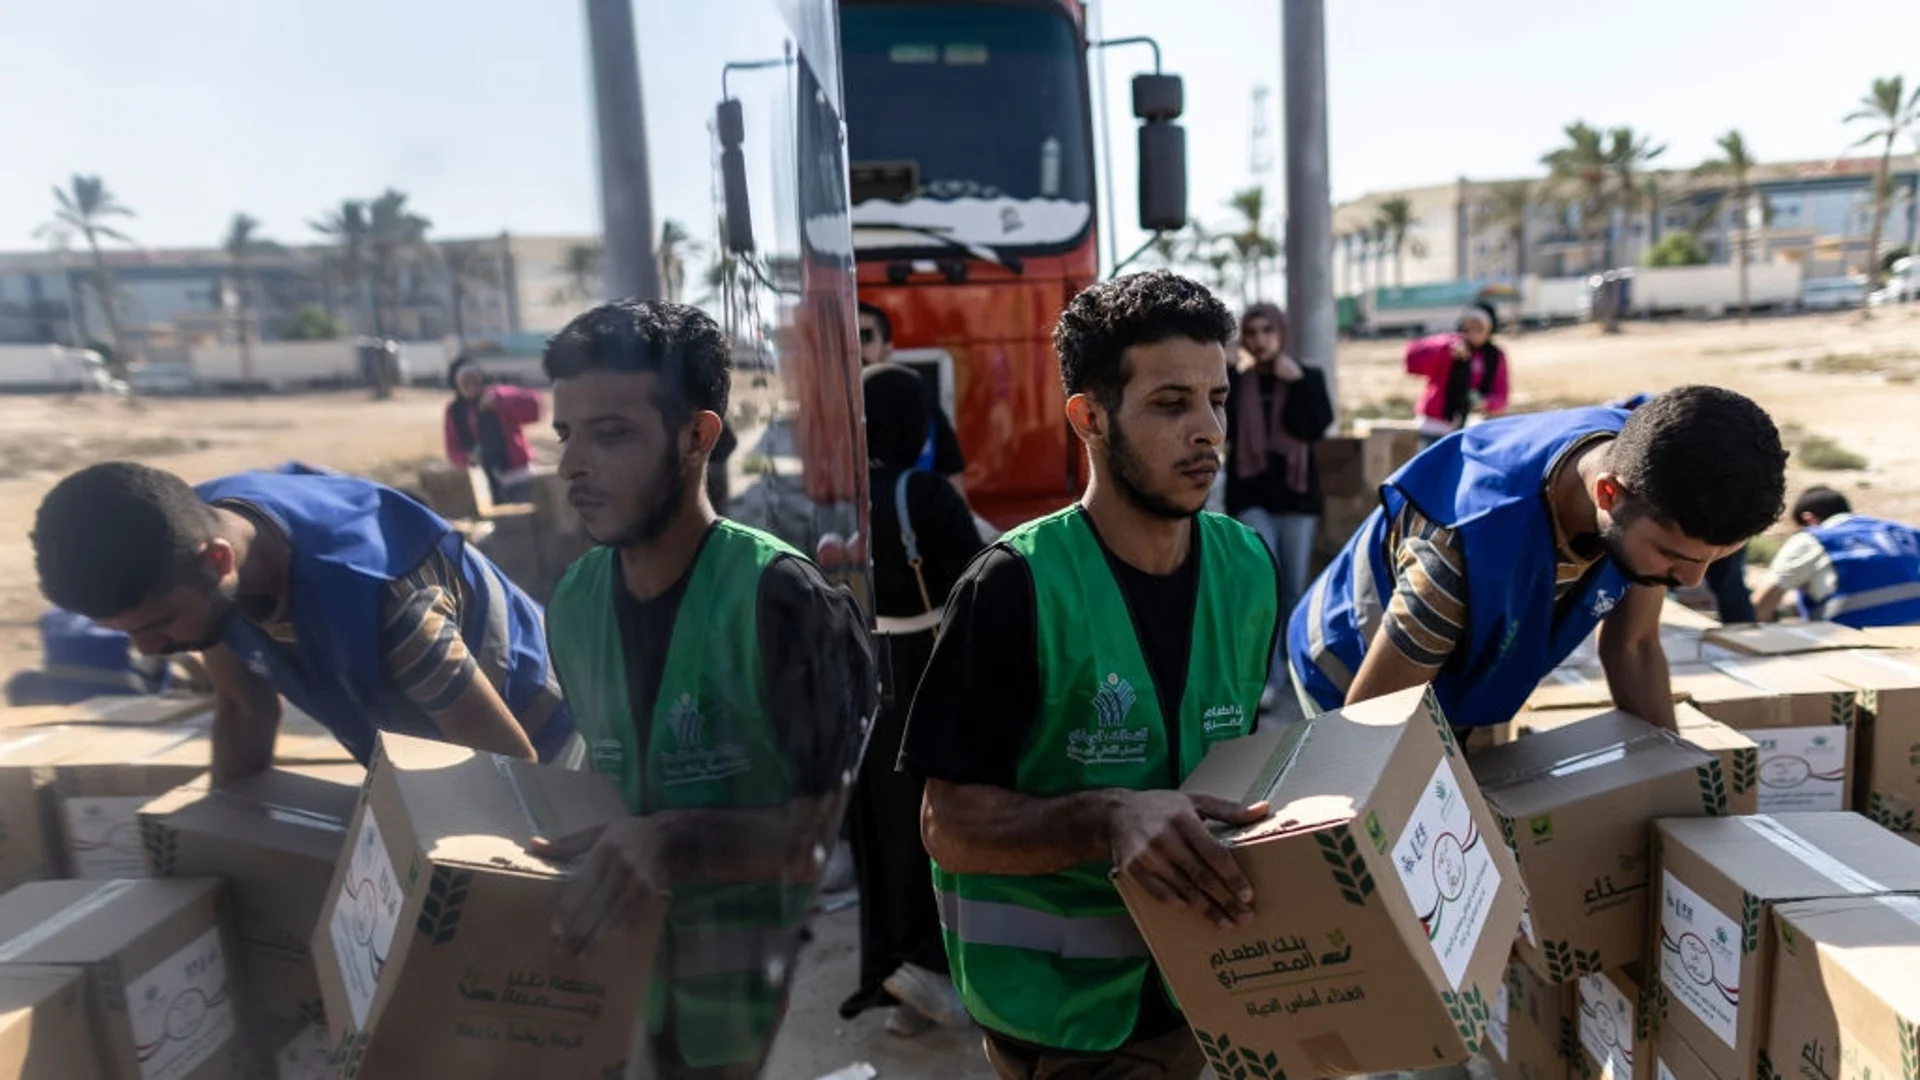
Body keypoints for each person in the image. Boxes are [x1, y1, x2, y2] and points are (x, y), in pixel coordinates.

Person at [901, 270, 1282, 1080]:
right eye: (1171, 404)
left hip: (1204, 989)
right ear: (1091, 418)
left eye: (1217, 398)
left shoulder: (1248, 566)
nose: (1208, 430)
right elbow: (948, 824)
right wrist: (1109, 817)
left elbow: (1234, 762)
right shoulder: (1011, 586)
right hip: (1061, 1021)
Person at [526, 300, 874, 1079]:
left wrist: (675, 842)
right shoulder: (574, 601)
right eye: (565, 435)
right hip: (603, 984)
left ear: (698, 436)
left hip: (737, 996)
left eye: (610, 433)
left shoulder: (783, 600)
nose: (572, 467)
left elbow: (821, 843)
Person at [31, 461, 577, 780]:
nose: (149, 650)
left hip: (554, 745)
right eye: (128, 633)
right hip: (444, 748)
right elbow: (242, 707)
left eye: (158, 624)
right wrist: (215, 844)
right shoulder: (186, 541)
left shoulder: (378, 596)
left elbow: (504, 767)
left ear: (219, 560)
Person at [1291, 386, 1787, 736]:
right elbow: (1369, 731)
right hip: (1353, 669)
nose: (1689, 579)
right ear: (1607, 494)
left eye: (1714, 560)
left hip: (1446, 674)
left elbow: (1633, 646)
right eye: (1674, 557)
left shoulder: (1654, 464)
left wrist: (1678, 777)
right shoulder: (1465, 551)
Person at [839, 363, 986, 1037]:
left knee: (881, 831)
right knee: (937, 825)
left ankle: (898, 988)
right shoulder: (923, 493)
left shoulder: (842, 498)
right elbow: (974, 586)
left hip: (861, 680)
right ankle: (930, 967)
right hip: (925, 668)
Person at [1223, 302, 1333, 704]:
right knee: (1264, 581)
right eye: (1250, 332)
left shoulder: (1306, 375)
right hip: (1253, 494)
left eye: (1267, 330)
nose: (1259, 339)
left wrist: (1300, 382)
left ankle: (1295, 668)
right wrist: (1230, 374)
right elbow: (1223, 428)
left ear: (1280, 333)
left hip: (1296, 496)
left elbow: (1316, 426)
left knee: (1294, 589)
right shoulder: (1237, 381)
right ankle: (1268, 677)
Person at [1608, 392, 1754, 622]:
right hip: (1694, 509)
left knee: (1717, 577)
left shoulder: (1641, 421)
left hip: (1709, 509)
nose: (1693, 579)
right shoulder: (1647, 418)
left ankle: (1743, 630)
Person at [1751, 486, 1920, 626]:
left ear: (1809, 519)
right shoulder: (1906, 532)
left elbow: (1762, 603)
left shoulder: (1812, 539)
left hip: (1859, 651)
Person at [860, 301, 968, 497]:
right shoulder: (821, 406)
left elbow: (953, 480)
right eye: (845, 339)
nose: (854, 348)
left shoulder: (917, 397)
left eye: (864, 336)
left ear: (887, 349)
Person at [443, 354, 544, 504]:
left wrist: (499, 401)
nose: (470, 385)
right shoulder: (454, 411)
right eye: (465, 382)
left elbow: (534, 406)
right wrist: (467, 457)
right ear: (457, 384)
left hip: (518, 475)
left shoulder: (498, 394)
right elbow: (452, 450)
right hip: (485, 482)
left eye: (474, 380)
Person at [1405, 302, 1509, 445]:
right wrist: (1447, 351)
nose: (1473, 333)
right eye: (1470, 327)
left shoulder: (1495, 356)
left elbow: (1501, 397)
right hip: (1435, 426)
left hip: (1472, 427)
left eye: (1479, 328)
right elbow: (1411, 361)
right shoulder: (1448, 344)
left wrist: (1485, 403)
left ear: (1489, 330)